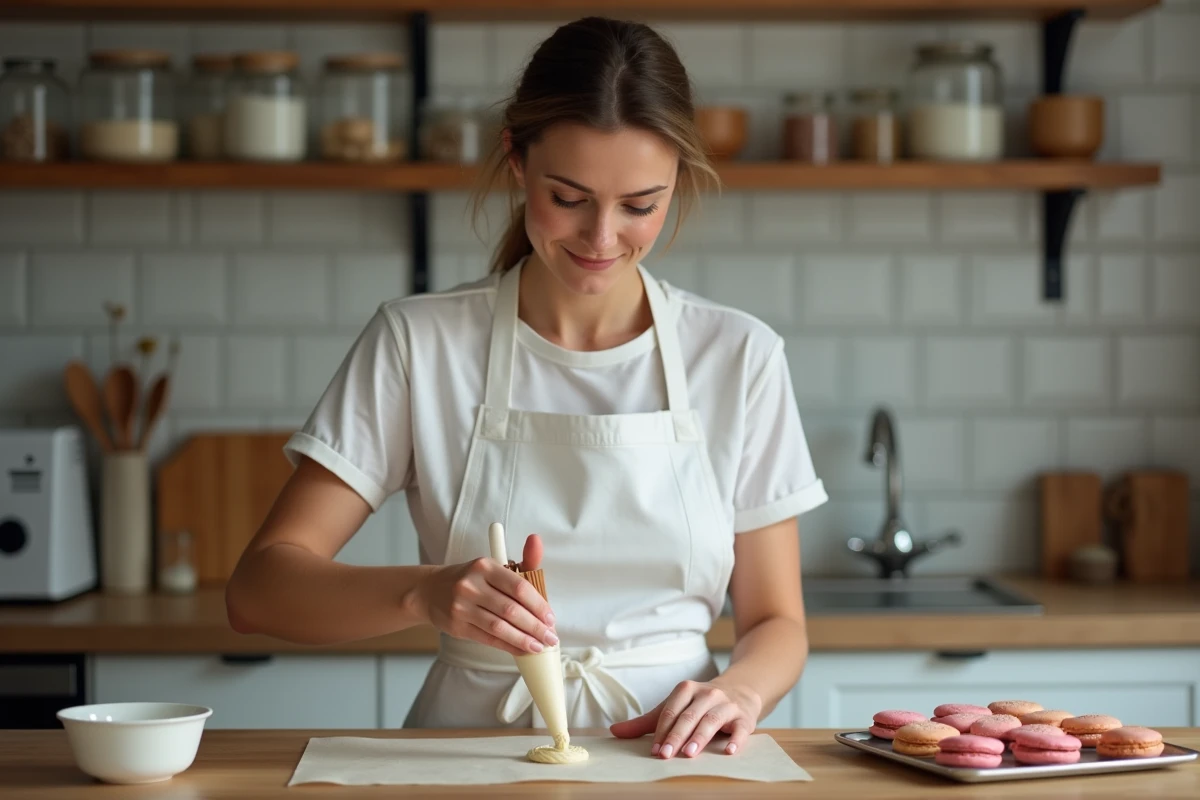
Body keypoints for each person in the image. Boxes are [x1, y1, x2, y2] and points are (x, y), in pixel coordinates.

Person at [225, 15, 827, 760]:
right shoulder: (419, 343)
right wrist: (424, 593)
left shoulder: (739, 356)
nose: (601, 238)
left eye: (640, 205)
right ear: (516, 159)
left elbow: (776, 623)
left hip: (673, 759)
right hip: (468, 755)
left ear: (678, 179)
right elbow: (258, 591)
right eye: (568, 198)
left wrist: (739, 691)